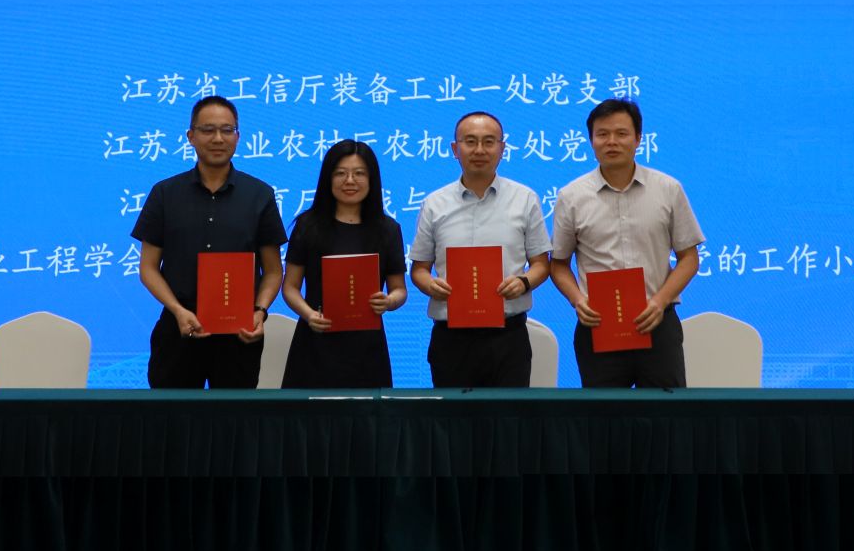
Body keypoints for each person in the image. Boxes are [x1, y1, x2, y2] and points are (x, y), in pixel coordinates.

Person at [547, 98, 703, 389]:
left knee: (666, 412)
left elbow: (689, 258)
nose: (611, 142)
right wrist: (578, 300)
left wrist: (660, 301)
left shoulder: (668, 189)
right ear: (591, 140)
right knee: (604, 414)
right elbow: (558, 265)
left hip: (658, 322)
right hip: (599, 325)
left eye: (621, 133)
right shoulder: (571, 196)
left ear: (638, 138)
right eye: (602, 134)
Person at [132, 95, 285, 389]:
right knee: (172, 416)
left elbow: (273, 270)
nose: (218, 138)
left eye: (227, 130)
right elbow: (148, 268)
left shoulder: (260, 194)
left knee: (233, 417)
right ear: (191, 136)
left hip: (239, 334)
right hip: (178, 329)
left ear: (238, 136)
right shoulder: (165, 193)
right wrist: (178, 310)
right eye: (207, 130)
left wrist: (260, 311)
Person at [408, 110, 551, 388]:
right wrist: (430, 285)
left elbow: (541, 264)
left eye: (489, 142)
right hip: (451, 338)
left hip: (508, 337)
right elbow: (419, 269)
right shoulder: (434, 203)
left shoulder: (525, 199)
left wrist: (523, 282)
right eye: (470, 141)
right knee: (453, 415)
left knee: (508, 415)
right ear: (455, 149)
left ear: (502, 148)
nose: (479, 150)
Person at [279, 140, 408, 389]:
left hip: (367, 346)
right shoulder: (308, 225)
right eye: (340, 173)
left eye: (359, 173)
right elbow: (290, 287)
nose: (350, 181)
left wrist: (389, 301)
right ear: (328, 179)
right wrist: (309, 315)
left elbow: (399, 289)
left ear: (372, 179)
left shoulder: (388, 230)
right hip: (315, 341)